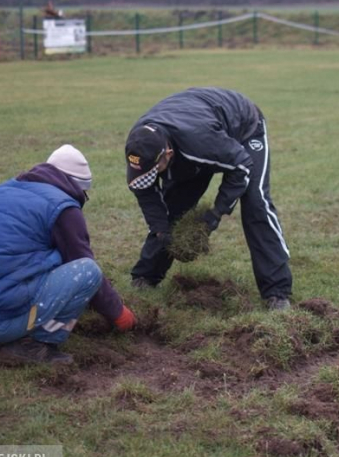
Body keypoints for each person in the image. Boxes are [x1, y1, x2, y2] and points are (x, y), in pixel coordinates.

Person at [0, 145, 137, 366]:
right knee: (87, 272)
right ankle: (34, 344)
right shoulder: (64, 209)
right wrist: (118, 313)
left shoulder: (4, 189)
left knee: (45, 258)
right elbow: (83, 266)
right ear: (77, 187)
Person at [125, 87, 293, 310]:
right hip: (196, 133)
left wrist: (216, 213)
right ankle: (146, 276)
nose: (152, 176)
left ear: (168, 154)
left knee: (256, 204)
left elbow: (242, 166)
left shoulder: (201, 142)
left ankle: (277, 292)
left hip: (242, 128)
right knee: (174, 209)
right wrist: (160, 229)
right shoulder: (140, 144)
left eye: (156, 170)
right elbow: (145, 192)